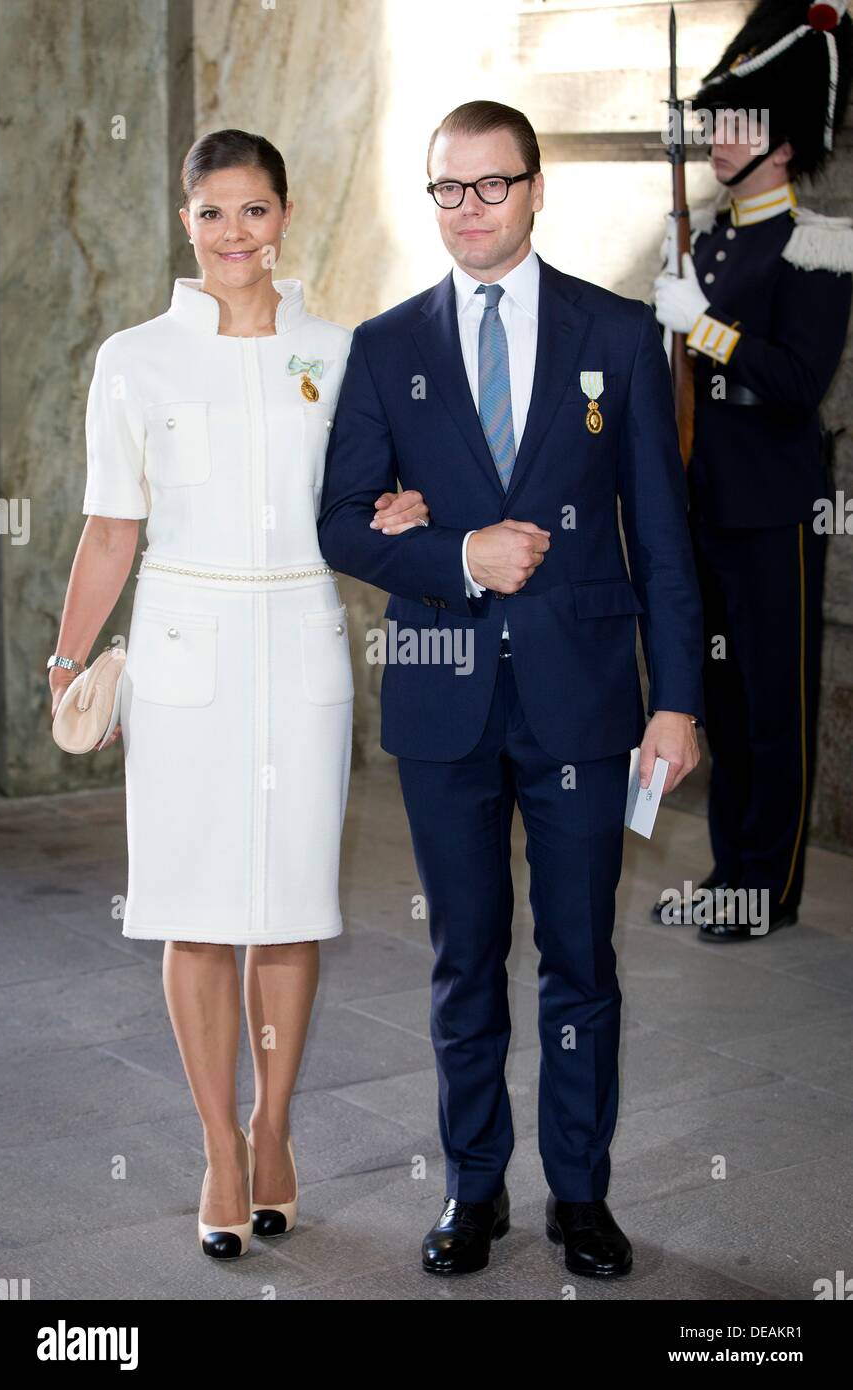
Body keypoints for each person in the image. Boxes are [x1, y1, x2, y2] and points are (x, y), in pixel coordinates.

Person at [318, 100, 704, 1278]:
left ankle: (578, 1197)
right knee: (462, 954)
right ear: (427, 196)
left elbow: (662, 534)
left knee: (581, 957)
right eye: (448, 189)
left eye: (491, 185)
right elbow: (339, 518)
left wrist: (675, 698)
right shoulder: (387, 346)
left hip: (586, 699)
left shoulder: (618, 333)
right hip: (442, 698)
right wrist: (452, 554)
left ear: (536, 191)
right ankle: (472, 1189)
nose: (469, 208)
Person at [48, 129, 428, 1260]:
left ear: (285, 215)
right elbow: (111, 524)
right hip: (181, 642)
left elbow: (362, 499)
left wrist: (397, 515)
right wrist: (71, 663)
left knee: (289, 902)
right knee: (193, 902)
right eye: (211, 213)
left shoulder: (338, 349)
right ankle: (220, 1140)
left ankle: (276, 1125)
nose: (232, 236)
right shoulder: (134, 358)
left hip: (299, 637)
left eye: (253, 211)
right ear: (185, 221)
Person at [653, 0, 853, 940]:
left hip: (775, 510)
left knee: (775, 704)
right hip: (705, 505)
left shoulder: (819, 243)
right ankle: (731, 870)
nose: (715, 141)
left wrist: (705, 327)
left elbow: (795, 382)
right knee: (722, 704)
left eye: (735, 127)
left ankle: (768, 887)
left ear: (781, 144)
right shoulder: (709, 241)